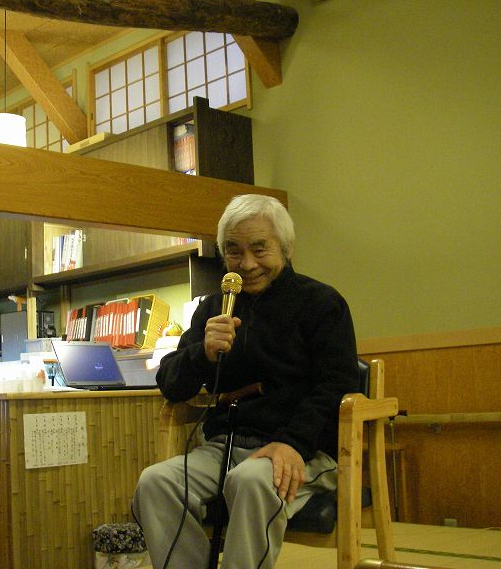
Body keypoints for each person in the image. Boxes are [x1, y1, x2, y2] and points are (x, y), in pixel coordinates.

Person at [132, 194, 359, 568]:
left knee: (251, 481)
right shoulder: (214, 307)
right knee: (155, 483)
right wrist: (203, 353)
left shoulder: (321, 303)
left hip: (306, 450)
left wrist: (292, 443)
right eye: (234, 251)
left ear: (286, 248)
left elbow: (338, 384)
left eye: (260, 248)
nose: (247, 263)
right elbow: (171, 384)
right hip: (223, 446)